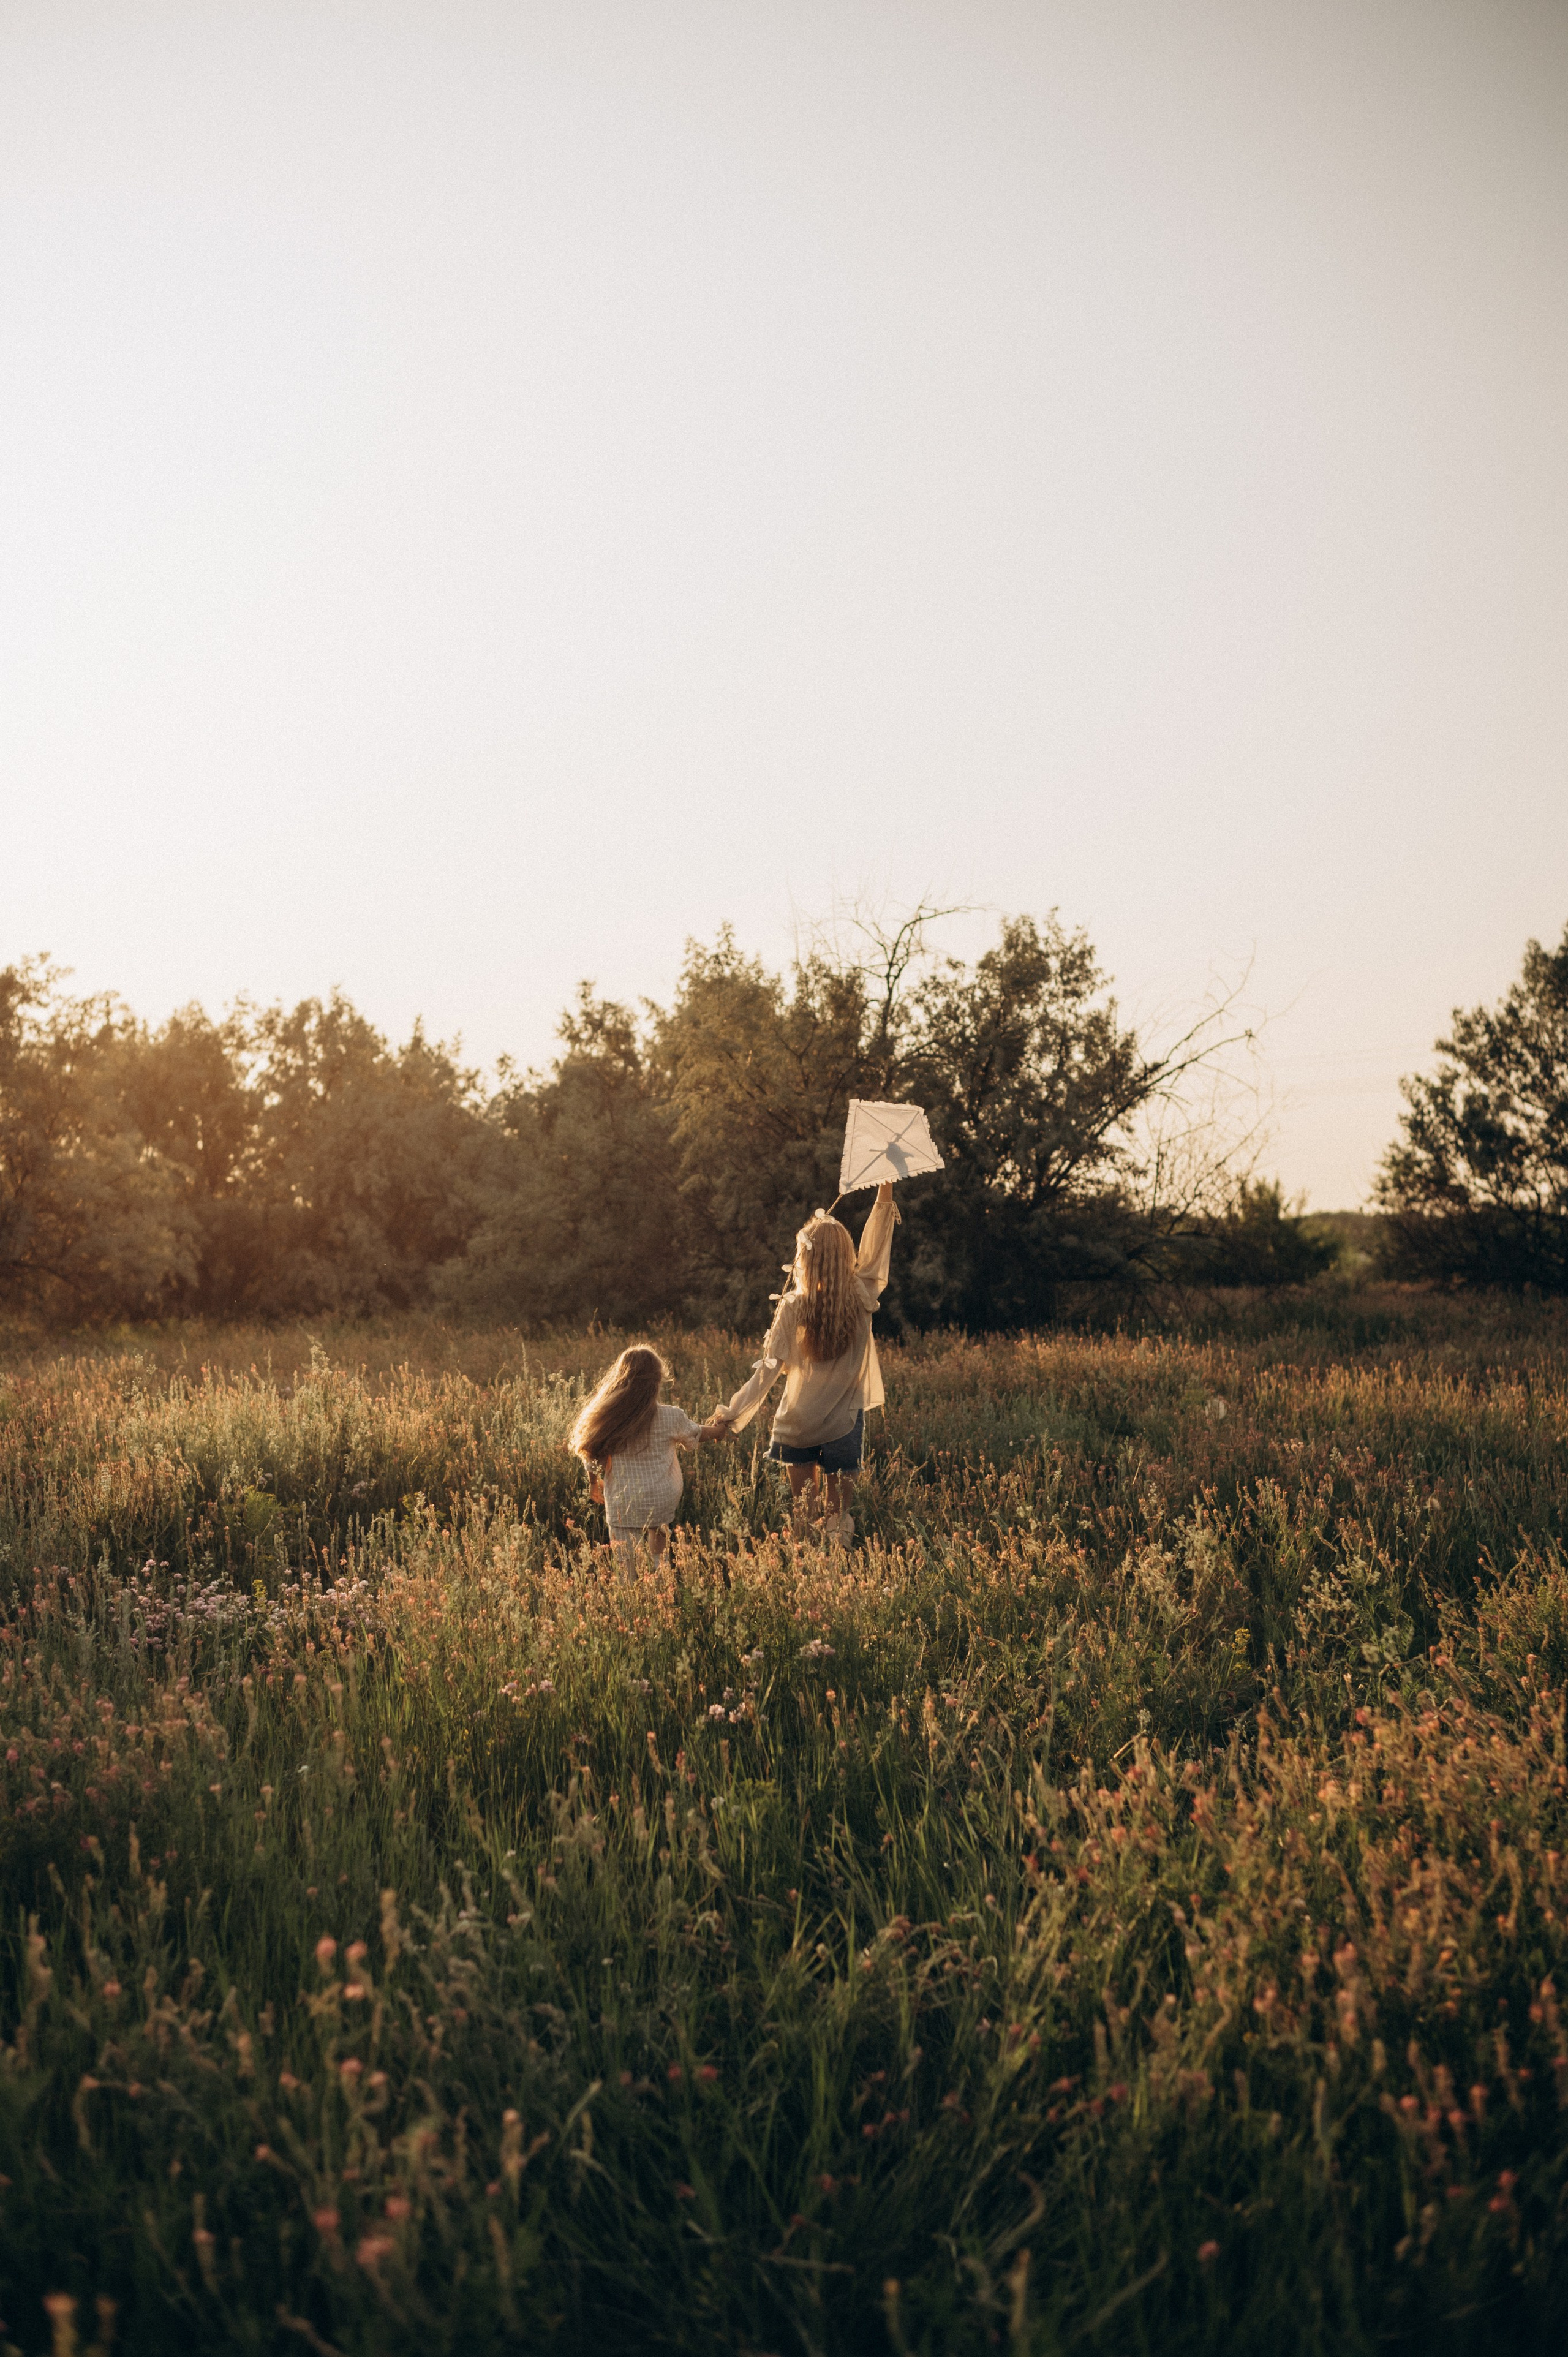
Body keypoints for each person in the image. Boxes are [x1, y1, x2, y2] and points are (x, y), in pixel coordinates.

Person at [702, 1181, 897, 1545]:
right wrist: (884, 1191)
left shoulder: (792, 1306)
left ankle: (806, 1579)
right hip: (843, 1424)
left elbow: (767, 1371)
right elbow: (878, 1243)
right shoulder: (861, 1294)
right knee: (838, 1516)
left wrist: (731, 1414)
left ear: (804, 1258)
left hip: (796, 1425)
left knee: (803, 1516)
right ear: (847, 1256)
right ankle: (839, 1577)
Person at [570, 1345, 709, 1571]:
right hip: (660, 1498)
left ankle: (631, 1597)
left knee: (626, 1564)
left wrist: (594, 1484)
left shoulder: (609, 1418)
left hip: (623, 1501)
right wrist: (722, 1427)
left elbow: (591, 1454)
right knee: (659, 1554)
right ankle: (659, 1583)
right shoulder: (671, 1416)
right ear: (657, 1381)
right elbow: (698, 1432)